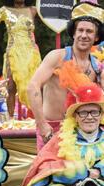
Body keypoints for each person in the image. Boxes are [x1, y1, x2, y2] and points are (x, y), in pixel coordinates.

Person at [27, 2, 104, 150]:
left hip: (81, 133)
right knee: (49, 172)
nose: (83, 35)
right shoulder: (57, 57)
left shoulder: (97, 66)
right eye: (80, 30)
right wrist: (42, 125)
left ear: (96, 37)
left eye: (89, 31)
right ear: (73, 33)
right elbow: (32, 87)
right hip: (51, 130)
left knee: (80, 174)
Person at [0, 0, 41, 117]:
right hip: (13, 52)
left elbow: (53, 18)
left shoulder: (34, 10)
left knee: (34, 85)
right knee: (11, 87)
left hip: (30, 54)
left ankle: (38, 117)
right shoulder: (4, 10)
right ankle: (11, 119)